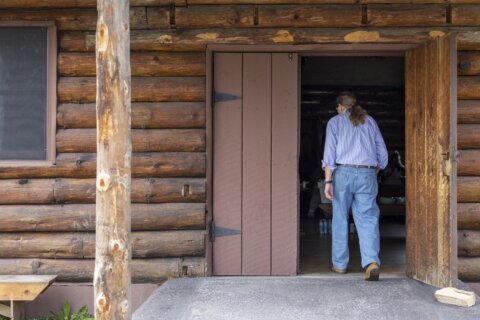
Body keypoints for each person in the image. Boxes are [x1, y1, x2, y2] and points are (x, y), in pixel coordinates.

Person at [322, 92, 388, 281]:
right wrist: (372, 172)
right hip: (367, 173)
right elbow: (382, 155)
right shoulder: (370, 121)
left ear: (340, 107)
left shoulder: (335, 122)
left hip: (342, 173)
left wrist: (328, 181)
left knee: (340, 218)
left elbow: (329, 155)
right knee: (367, 218)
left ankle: (340, 265)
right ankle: (371, 263)